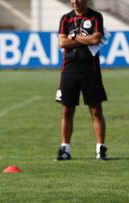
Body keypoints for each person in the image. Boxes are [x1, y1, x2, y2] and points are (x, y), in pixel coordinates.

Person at [55, 0, 108, 161]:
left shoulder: (95, 17)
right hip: (69, 70)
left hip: (90, 70)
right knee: (67, 111)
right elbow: (62, 42)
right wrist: (83, 39)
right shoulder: (66, 19)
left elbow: (96, 39)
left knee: (96, 111)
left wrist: (73, 37)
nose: (75, 2)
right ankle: (65, 149)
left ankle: (100, 149)